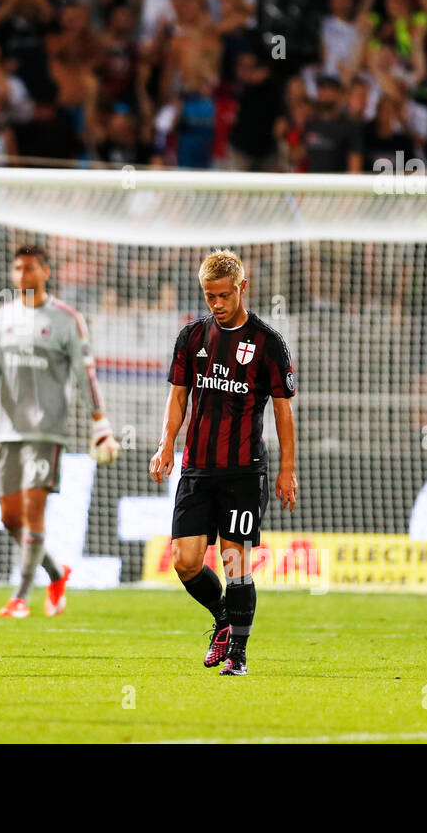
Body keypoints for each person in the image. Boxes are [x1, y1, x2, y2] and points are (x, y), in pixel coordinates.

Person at [148, 251, 298, 677]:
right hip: (197, 468)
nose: (217, 303)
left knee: (234, 562)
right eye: (210, 296)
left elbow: (283, 411)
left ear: (242, 288)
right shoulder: (192, 338)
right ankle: (223, 618)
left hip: (244, 471)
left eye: (224, 295)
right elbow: (178, 397)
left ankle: (238, 655)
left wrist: (287, 469)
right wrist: (165, 445)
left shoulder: (268, 343)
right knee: (185, 560)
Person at [0, 244, 121, 618]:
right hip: (7, 430)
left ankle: (19, 596)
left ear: (45, 272)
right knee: (10, 518)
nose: (23, 275)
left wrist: (99, 419)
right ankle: (55, 574)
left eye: (30, 268)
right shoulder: (2, 318)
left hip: (47, 431)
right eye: (18, 269)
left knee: (34, 513)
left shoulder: (67, 319)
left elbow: (86, 373)